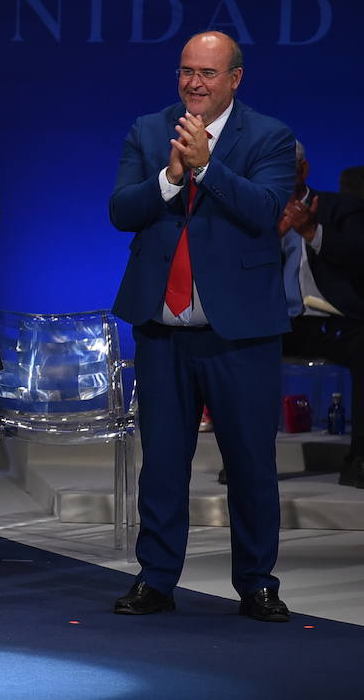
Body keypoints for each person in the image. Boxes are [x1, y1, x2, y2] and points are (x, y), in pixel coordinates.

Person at [110, 31, 296, 622]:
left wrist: (208, 167)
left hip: (239, 333)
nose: (194, 82)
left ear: (235, 79)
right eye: (186, 71)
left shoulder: (270, 136)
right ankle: (157, 579)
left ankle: (257, 582)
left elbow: (264, 212)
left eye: (208, 73)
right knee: (162, 462)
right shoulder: (147, 129)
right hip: (163, 331)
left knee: (250, 463)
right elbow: (121, 211)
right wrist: (168, 178)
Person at [278, 142, 364, 486]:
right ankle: (247, 460)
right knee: (234, 347)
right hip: (278, 322)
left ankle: (359, 459)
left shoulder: (341, 206)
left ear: (302, 170)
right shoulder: (254, 214)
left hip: (334, 320)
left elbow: (360, 254)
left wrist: (312, 233)